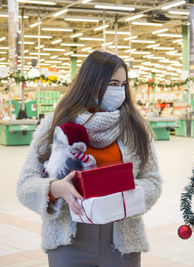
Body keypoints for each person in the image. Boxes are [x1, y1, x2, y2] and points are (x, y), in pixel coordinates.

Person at [17, 50, 162, 267]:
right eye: (112, 83)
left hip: (122, 242)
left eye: (122, 84)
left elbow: (153, 181)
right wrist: (57, 189)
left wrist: (129, 194)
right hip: (70, 242)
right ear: (91, 83)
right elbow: (26, 184)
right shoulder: (55, 123)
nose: (119, 90)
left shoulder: (136, 128)